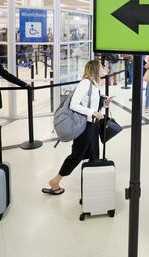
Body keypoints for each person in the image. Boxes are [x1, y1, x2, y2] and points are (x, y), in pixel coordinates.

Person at [43, 60, 109, 196]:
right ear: (96, 69)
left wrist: (104, 104)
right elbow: (74, 105)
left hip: (92, 125)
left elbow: (91, 105)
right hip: (85, 126)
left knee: (93, 154)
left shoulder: (95, 85)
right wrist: (93, 113)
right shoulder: (85, 84)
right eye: (102, 66)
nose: (104, 68)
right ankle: (55, 181)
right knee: (77, 155)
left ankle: (92, 185)